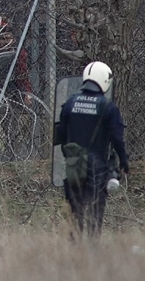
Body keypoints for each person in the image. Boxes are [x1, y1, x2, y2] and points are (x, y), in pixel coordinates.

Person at [55, 61, 129, 239]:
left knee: (75, 210)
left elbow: (61, 135)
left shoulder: (70, 103)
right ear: (104, 80)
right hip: (98, 167)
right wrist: (124, 161)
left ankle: (74, 251)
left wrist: (68, 155)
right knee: (96, 210)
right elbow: (117, 138)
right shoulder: (108, 107)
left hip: (74, 165)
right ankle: (92, 250)